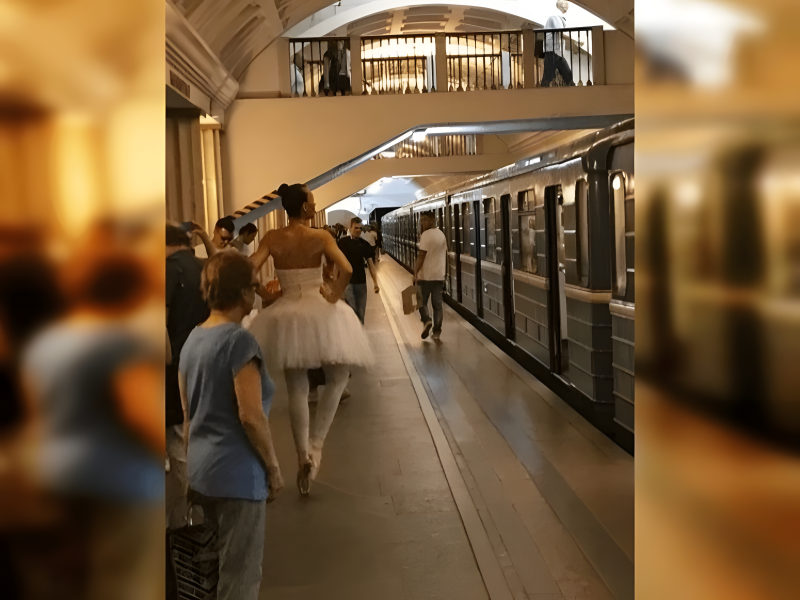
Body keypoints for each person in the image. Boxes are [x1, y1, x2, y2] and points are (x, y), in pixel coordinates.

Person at [22, 239, 164, 600]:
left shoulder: (46, 342)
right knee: (127, 584)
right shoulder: (118, 344)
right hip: (120, 481)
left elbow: (37, 414)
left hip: (59, 475)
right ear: (130, 293)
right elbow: (141, 413)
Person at [248, 183, 372, 496]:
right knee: (339, 376)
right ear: (304, 207)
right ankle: (316, 446)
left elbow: (249, 270)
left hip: (286, 310)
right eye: (312, 202)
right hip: (319, 307)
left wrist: (266, 294)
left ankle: (302, 455)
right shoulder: (320, 237)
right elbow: (345, 268)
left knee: (297, 388)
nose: (315, 206)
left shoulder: (272, 237)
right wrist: (334, 295)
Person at [179, 251, 283, 600]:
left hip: (201, 473)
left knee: (211, 576)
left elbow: (188, 417)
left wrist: (191, 471)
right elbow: (250, 416)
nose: (256, 292)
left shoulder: (192, 340)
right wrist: (273, 468)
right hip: (237, 478)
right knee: (239, 578)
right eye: (253, 286)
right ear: (242, 293)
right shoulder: (240, 341)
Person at [165, 223, 209, 530]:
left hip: (174, 363)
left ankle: (180, 520)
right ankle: (198, 511)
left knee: (177, 441)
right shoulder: (203, 266)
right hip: (202, 359)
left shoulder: (170, 269)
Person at [413, 211, 448, 341]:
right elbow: (445, 254)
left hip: (425, 276)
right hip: (439, 276)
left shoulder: (425, 235)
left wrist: (415, 273)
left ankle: (427, 320)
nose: (422, 223)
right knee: (437, 305)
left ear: (432, 220)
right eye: (421, 220)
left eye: (425, 220)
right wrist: (445, 273)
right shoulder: (441, 234)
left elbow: (421, 255)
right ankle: (437, 332)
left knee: (421, 301)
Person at [340, 217, 380, 325]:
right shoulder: (343, 243)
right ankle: (353, 332)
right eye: (356, 228)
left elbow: (371, 264)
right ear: (350, 227)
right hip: (347, 282)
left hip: (361, 282)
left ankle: (360, 332)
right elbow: (337, 263)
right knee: (352, 311)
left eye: (360, 228)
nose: (358, 230)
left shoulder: (364, 244)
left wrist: (375, 283)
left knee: (361, 313)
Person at [541, 1, 575, 87]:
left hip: (556, 52)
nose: (566, 6)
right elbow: (560, 31)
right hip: (552, 51)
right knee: (549, 76)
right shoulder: (555, 17)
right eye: (564, 4)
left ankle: (571, 89)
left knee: (564, 73)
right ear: (559, 5)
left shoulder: (558, 18)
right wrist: (573, 40)